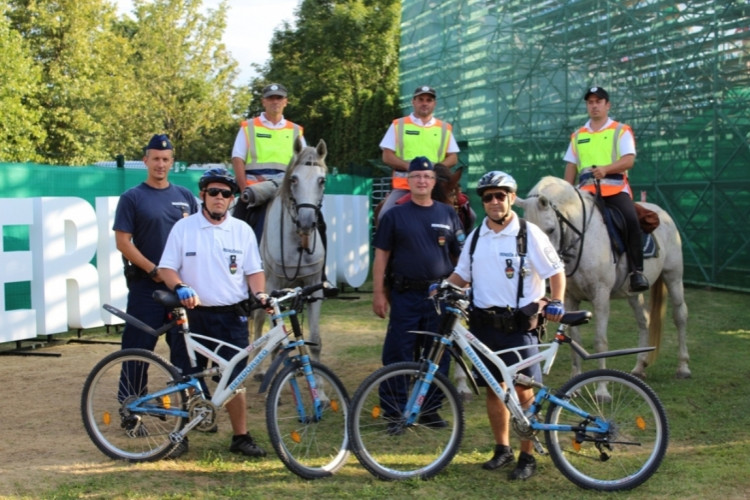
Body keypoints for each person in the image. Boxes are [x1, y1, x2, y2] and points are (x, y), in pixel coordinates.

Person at [444, 171, 566, 480]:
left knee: (523, 391)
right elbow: (461, 275)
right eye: (489, 196)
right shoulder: (475, 236)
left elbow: (555, 271)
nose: (495, 201)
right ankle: (502, 448)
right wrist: (441, 287)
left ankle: (527, 455)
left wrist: (557, 301)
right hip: (483, 325)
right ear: (482, 201)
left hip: (519, 325)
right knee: (494, 390)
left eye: (501, 195)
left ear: (512, 197)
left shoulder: (529, 233)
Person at [159, 167, 268, 459]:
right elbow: (166, 267)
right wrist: (179, 285)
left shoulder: (242, 230)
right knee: (186, 376)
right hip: (193, 316)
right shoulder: (184, 228)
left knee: (232, 380)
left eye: (226, 193)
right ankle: (180, 436)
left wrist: (259, 294)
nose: (219, 198)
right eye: (213, 192)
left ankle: (240, 436)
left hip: (231, 316)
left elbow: (254, 271)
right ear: (202, 195)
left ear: (232, 199)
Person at [113, 134, 199, 457]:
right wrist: (154, 271)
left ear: (171, 162)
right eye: (155, 159)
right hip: (146, 288)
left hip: (178, 290)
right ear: (145, 161)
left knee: (184, 353)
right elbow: (123, 243)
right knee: (137, 349)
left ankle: (186, 413)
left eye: (165, 159)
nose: (160, 164)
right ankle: (130, 412)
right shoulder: (132, 198)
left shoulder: (186, 197)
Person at [372, 156, 465, 427]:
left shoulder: (448, 214)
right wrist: (378, 293)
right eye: (416, 177)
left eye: (426, 177)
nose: (422, 181)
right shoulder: (394, 215)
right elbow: (381, 258)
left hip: (440, 298)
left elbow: (460, 258)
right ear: (408, 181)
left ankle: (429, 409)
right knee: (398, 353)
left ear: (434, 182)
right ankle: (394, 411)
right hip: (406, 296)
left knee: (437, 353)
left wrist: (465, 288)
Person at [563, 86, 649, 293]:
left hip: (615, 190)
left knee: (630, 220)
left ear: (607, 105)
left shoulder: (621, 130)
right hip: (584, 193)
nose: (594, 105)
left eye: (598, 101)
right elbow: (571, 165)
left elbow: (629, 160)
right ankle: (559, 268)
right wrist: (566, 191)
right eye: (590, 102)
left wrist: (606, 169)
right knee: (562, 223)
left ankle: (636, 272)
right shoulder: (578, 135)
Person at [230, 82, 307, 241]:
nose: (275, 101)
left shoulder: (295, 130)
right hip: (255, 190)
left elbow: (305, 163)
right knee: (236, 225)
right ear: (263, 101)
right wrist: (244, 189)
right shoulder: (249, 127)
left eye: (279, 98)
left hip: (287, 190)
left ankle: (315, 262)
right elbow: (238, 158)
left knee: (314, 219)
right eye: (271, 98)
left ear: (285, 101)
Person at [377, 85, 460, 221]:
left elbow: (453, 157)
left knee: (469, 214)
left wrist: (436, 169)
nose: (424, 103)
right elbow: (387, 156)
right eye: (420, 99)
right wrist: (410, 167)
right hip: (404, 185)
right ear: (413, 102)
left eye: (429, 100)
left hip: (436, 186)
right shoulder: (399, 124)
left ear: (434, 103)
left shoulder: (445, 128)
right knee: (384, 215)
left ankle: (463, 242)